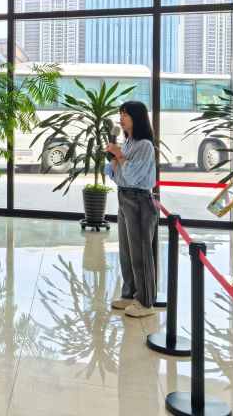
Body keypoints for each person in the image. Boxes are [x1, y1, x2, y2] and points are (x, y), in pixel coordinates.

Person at [105, 100, 159, 318]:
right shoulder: (127, 143)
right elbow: (116, 175)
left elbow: (133, 176)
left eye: (125, 115)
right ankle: (129, 294)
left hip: (139, 200)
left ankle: (145, 302)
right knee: (126, 251)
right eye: (120, 114)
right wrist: (116, 159)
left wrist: (119, 157)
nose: (121, 118)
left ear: (137, 118)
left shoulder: (145, 145)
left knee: (140, 253)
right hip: (124, 198)